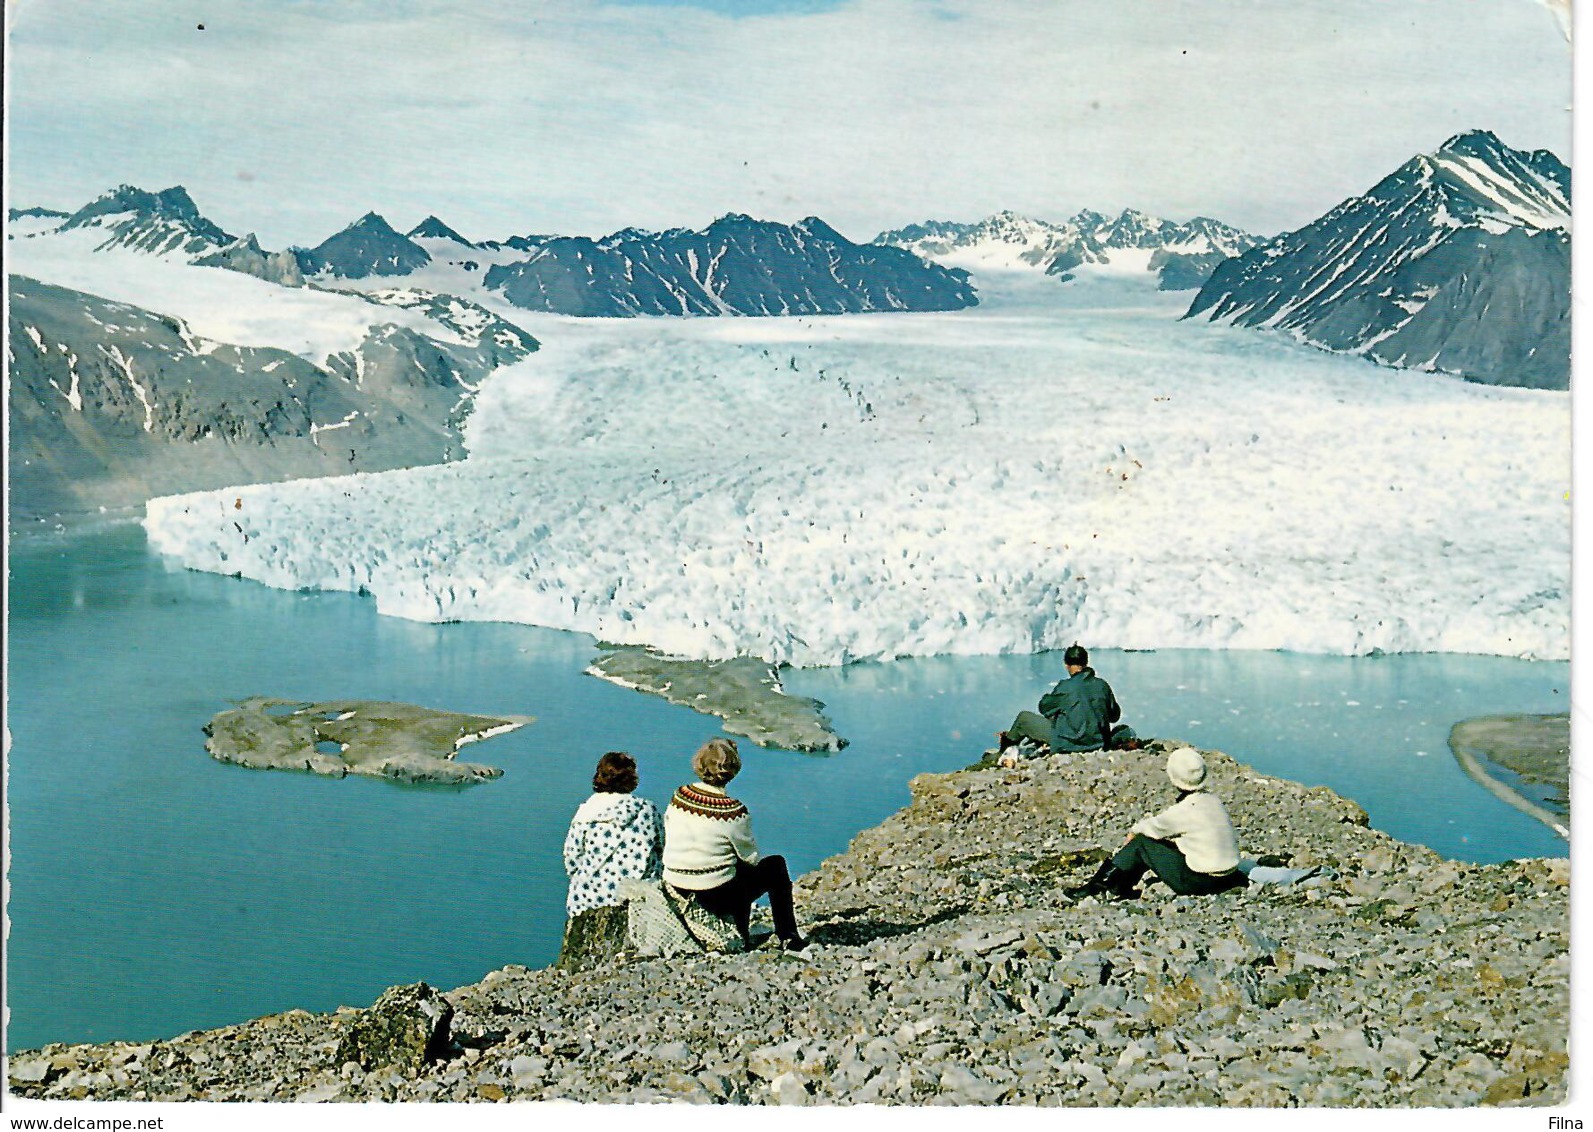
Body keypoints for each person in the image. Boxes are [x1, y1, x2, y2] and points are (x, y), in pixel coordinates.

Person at [662, 737, 806, 952]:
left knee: (734, 870)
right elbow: (750, 857)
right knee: (774, 866)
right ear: (732, 770)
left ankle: (742, 933)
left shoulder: (679, 795)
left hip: (675, 883)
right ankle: (787, 935)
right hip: (712, 893)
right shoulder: (733, 812)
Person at [1067, 746, 1247, 899]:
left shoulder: (1184, 810)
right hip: (1228, 877)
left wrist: (1133, 832)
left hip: (1199, 882)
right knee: (1159, 844)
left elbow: (1150, 828)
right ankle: (1118, 886)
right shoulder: (1213, 801)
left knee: (1142, 843)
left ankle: (1099, 886)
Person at [562, 751, 665, 918]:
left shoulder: (585, 814)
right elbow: (662, 848)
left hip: (587, 900)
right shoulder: (646, 810)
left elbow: (572, 859)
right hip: (636, 899)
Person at [998, 644, 1136, 756]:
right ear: (1086, 662)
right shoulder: (1102, 685)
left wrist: (1050, 698)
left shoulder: (1065, 687)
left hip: (1068, 744)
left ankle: (1005, 748)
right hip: (1098, 743)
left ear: (1066, 664)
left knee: (1024, 718)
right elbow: (1114, 716)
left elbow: (1044, 707)